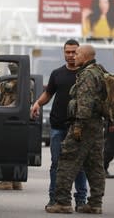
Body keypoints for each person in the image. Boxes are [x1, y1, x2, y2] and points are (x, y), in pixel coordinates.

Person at [45, 44, 106, 214]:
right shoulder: (99, 71)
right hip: (96, 125)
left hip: (83, 125)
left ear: (85, 56)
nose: (74, 56)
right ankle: (95, 204)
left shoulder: (87, 74)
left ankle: (62, 202)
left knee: (66, 161)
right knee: (95, 165)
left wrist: (78, 125)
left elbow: (85, 104)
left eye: (77, 53)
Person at [30, 39, 87, 211]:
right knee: (56, 164)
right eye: (67, 52)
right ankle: (54, 198)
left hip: (78, 127)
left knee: (79, 164)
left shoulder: (87, 74)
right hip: (58, 126)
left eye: (74, 52)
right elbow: (48, 93)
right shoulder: (57, 73)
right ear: (64, 52)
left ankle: (81, 200)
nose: (70, 55)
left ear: (80, 53)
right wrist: (37, 104)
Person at [0, 62, 24, 191]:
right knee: (14, 152)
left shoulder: (21, 83)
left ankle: (7, 181)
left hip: (9, 118)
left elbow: (18, 101)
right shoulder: (21, 81)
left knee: (5, 151)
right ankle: (16, 180)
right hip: (15, 119)